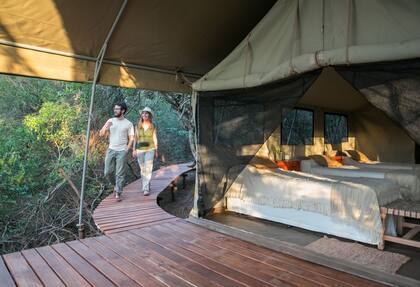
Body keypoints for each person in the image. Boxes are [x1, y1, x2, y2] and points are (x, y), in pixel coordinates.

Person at [99, 102, 134, 201]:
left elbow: (132, 137)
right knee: (107, 172)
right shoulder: (110, 120)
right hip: (111, 149)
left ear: (123, 111)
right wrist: (106, 127)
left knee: (120, 173)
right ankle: (115, 185)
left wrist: (127, 148)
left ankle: (118, 192)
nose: (115, 110)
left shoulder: (129, 123)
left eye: (117, 109)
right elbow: (101, 134)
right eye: (115, 109)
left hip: (122, 151)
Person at [133, 107, 158, 196]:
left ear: (149, 115)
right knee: (143, 169)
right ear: (141, 115)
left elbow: (154, 137)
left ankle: (146, 188)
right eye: (143, 113)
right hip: (140, 150)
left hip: (150, 149)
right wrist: (134, 149)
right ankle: (147, 184)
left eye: (146, 113)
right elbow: (135, 138)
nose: (144, 115)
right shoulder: (137, 125)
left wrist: (156, 150)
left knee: (148, 168)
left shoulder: (153, 125)